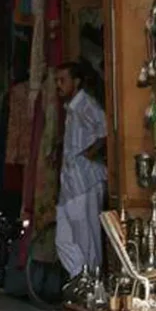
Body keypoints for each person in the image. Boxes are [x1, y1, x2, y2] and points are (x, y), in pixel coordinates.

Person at [54, 61, 107, 277]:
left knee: (87, 237)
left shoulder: (86, 104)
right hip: (70, 183)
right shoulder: (71, 109)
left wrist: (91, 152)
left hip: (85, 180)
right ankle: (81, 277)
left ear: (75, 82)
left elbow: (105, 128)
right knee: (64, 239)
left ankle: (91, 281)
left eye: (62, 80)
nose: (59, 85)